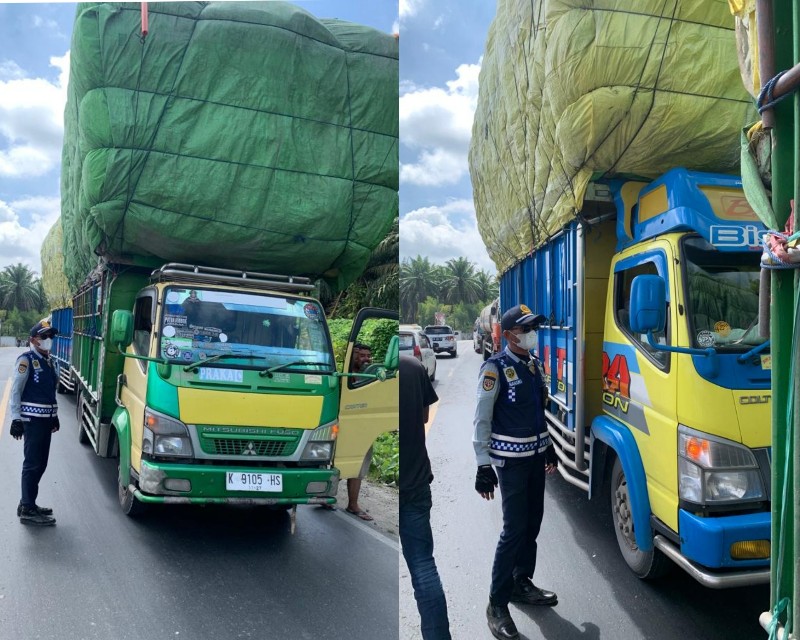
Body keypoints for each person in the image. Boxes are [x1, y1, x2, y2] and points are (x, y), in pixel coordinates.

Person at [473, 304, 559, 640]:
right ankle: (497, 602)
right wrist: (482, 464)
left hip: (536, 458)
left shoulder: (533, 365)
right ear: (509, 334)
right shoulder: (494, 369)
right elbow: (481, 418)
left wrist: (548, 444)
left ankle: (522, 581)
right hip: (510, 462)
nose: (531, 334)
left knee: (532, 523)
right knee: (513, 530)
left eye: (533, 328)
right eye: (526, 329)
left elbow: (538, 411)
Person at [399, 354, 451, 640]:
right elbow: (425, 416)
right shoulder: (413, 368)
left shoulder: (374, 373)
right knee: (423, 566)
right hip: (416, 482)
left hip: (403, 482)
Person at [9, 319, 60, 526]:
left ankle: (27, 502)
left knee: (41, 464)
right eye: (44, 337)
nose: (48, 340)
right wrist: (15, 419)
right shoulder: (26, 360)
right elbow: (16, 391)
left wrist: (54, 415)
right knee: (32, 465)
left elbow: (49, 392)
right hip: (32, 421)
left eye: (50, 337)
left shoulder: (49, 361)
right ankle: (28, 510)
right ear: (33, 340)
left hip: (45, 421)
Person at [345, 342, 375, 520]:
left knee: (359, 466)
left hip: (364, 429)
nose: (366, 359)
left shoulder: (371, 376)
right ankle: (326, 498)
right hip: (345, 426)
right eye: (361, 355)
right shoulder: (346, 374)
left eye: (367, 356)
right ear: (354, 355)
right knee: (338, 463)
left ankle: (352, 504)